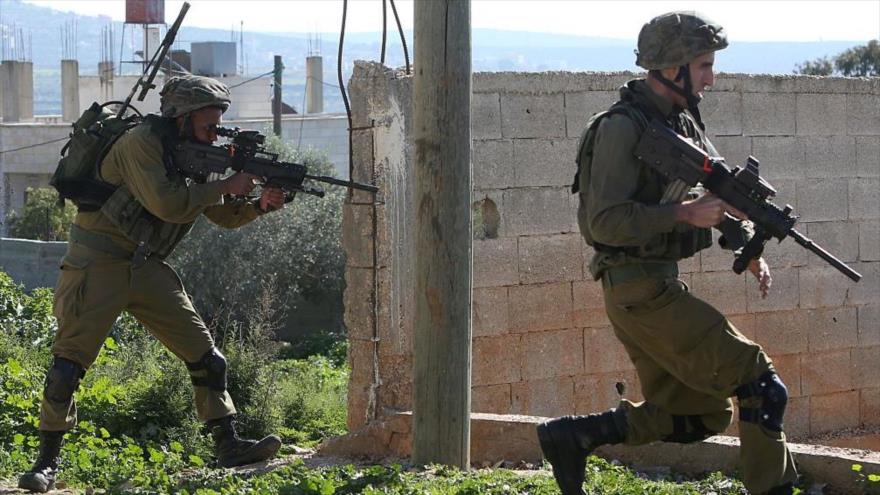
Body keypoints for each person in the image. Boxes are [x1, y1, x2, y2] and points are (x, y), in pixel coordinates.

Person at [537, 11, 799, 495]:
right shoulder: (620, 128)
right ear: (672, 67)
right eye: (703, 66)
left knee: (701, 413)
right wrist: (682, 215)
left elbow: (719, 193)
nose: (711, 78)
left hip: (654, 285)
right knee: (758, 380)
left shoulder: (679, 121)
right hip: (635, 286)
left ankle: (573, 436)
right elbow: (604, 222)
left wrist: (750, 240)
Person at [19, 75, 286, 493]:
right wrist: (225, 185)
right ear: (181, 116)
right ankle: (45, 462)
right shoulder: (141, 143)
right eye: (208, 125)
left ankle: (228, 445)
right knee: (67, 367)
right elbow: (169, 205)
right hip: (97, 261)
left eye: (218, 125)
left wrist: (258, 205)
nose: (214, 133)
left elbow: (221, 215)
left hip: (145, 265)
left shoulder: (193, 154)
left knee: (207, 357)